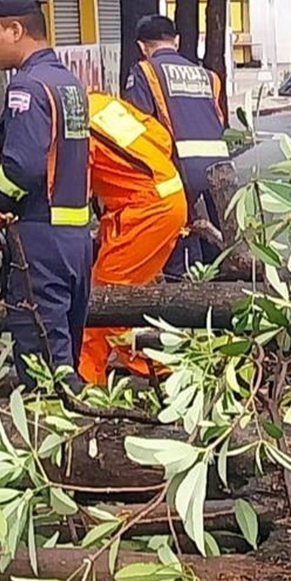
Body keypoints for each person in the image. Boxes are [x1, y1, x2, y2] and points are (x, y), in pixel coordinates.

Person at [0, 0, 93, 390]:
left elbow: (22, 168)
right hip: (75, 240)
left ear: (15, 29)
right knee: (64, 350)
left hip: (40, 241)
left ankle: (64, 445)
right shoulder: (68, 84)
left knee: (45, 368)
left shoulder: (27, 88)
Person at [78, 91, 189, 385]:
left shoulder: (75, 127)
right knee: (128, 296)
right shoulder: (102, 104)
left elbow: (71, 189)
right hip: (169, 196)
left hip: (146, 210)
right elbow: (161, 137)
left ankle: (88, 383)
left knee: (105, 301)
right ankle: (172, 367)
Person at [122, 15, 229, 279]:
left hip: (178, 167)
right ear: (177, 41)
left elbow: (138, 129)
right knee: (221, 237)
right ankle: (223, 282)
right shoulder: (208, 76)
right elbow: (220, 119)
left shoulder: (145, 72)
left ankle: (184, 287)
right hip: (220, 168)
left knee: (181, 232)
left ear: (142, 46)